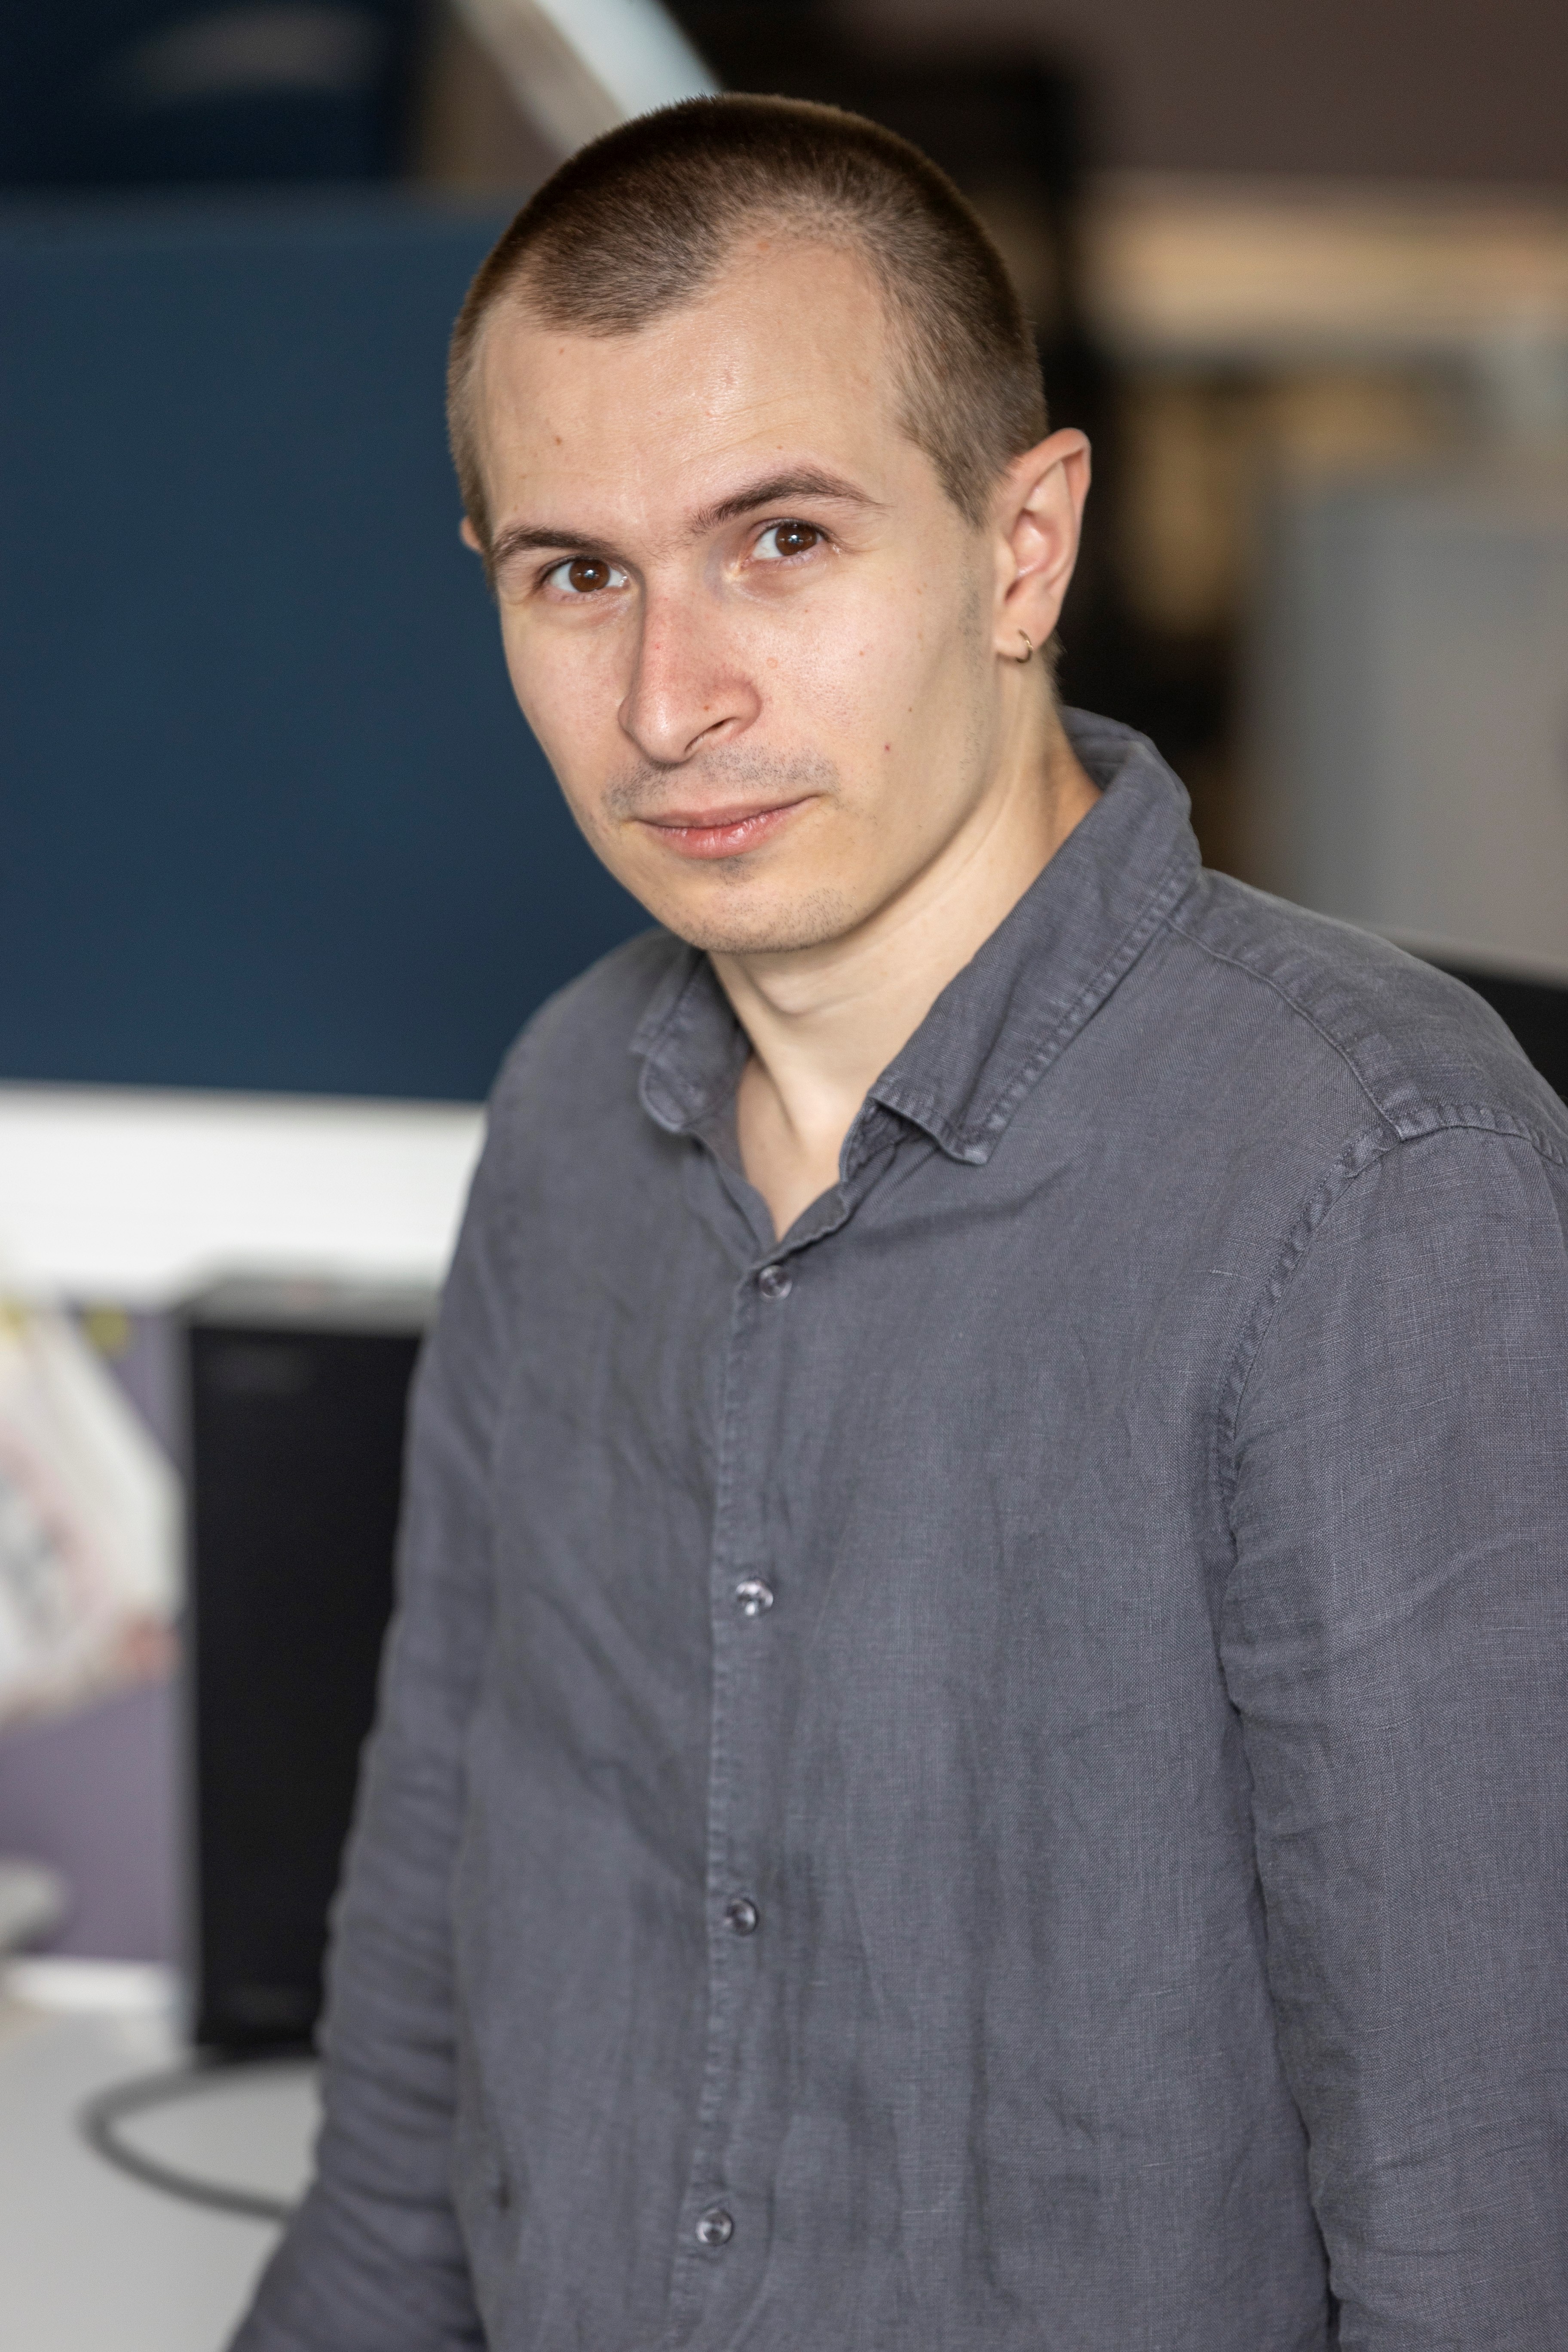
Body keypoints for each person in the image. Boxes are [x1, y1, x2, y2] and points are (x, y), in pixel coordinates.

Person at [233, 98, 1568, 2352]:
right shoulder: (570, 1115)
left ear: (1023, 549)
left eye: (780, 540)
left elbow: (1483, 2254)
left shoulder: (1373, 1188)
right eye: (577, 575)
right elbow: (413, 2055)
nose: (671, 703)